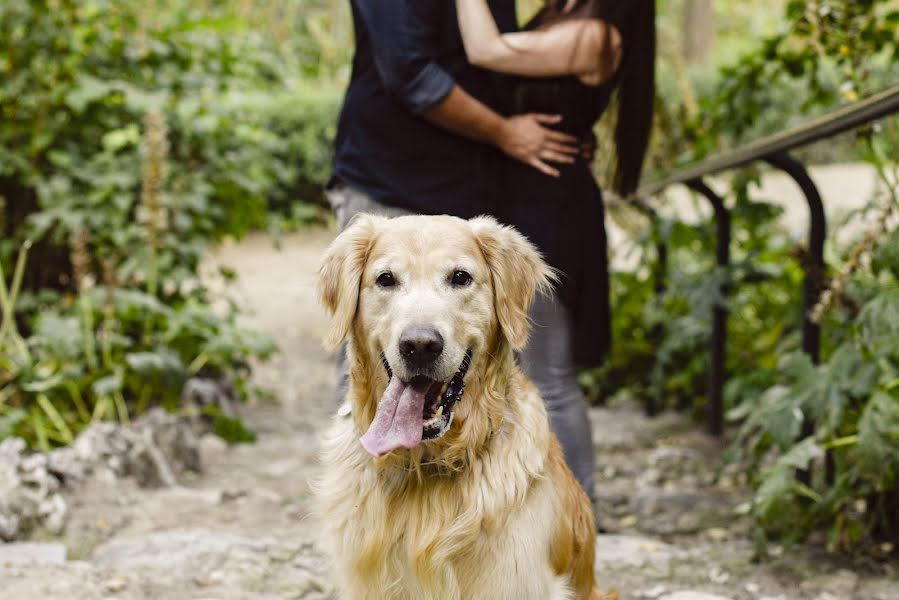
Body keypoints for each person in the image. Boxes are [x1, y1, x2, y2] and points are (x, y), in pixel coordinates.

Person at [454, 0, 657, 522]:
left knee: (549, 375)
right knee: (528, 367)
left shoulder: (595, 34)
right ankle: (536, 504)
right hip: (529, 198)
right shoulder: (562, 15)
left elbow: (486, 49)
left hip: (552, 210)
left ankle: (578, 511)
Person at [327, 1, 582, 403]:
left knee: (491, 385)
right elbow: (410, 72)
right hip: (391, 185)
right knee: (370, 379)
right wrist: (504, 132)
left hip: (476, 191)